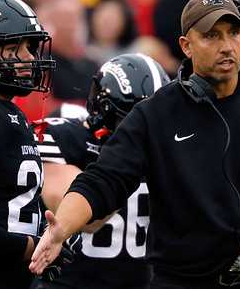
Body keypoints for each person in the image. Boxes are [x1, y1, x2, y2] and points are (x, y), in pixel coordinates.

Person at [30, 0, 240, 288]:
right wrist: (61, 229)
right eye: (211, 36)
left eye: (234, 33)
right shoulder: (156, 113)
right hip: (182, 279)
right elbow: (103, 180)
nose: (226, 46)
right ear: (186, 46)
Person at [0, 0, 69, 289]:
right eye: (13, 49)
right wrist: (30, 248)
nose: (30, 58)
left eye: (30, 47)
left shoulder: (7, 110)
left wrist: (46, 235)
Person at [32, 53, 170, 289]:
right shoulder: (63, 138)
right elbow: (88, 219)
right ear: (104, 109)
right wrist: (132, 161)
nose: (148, 131)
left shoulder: (165, 147)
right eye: (138, 122)